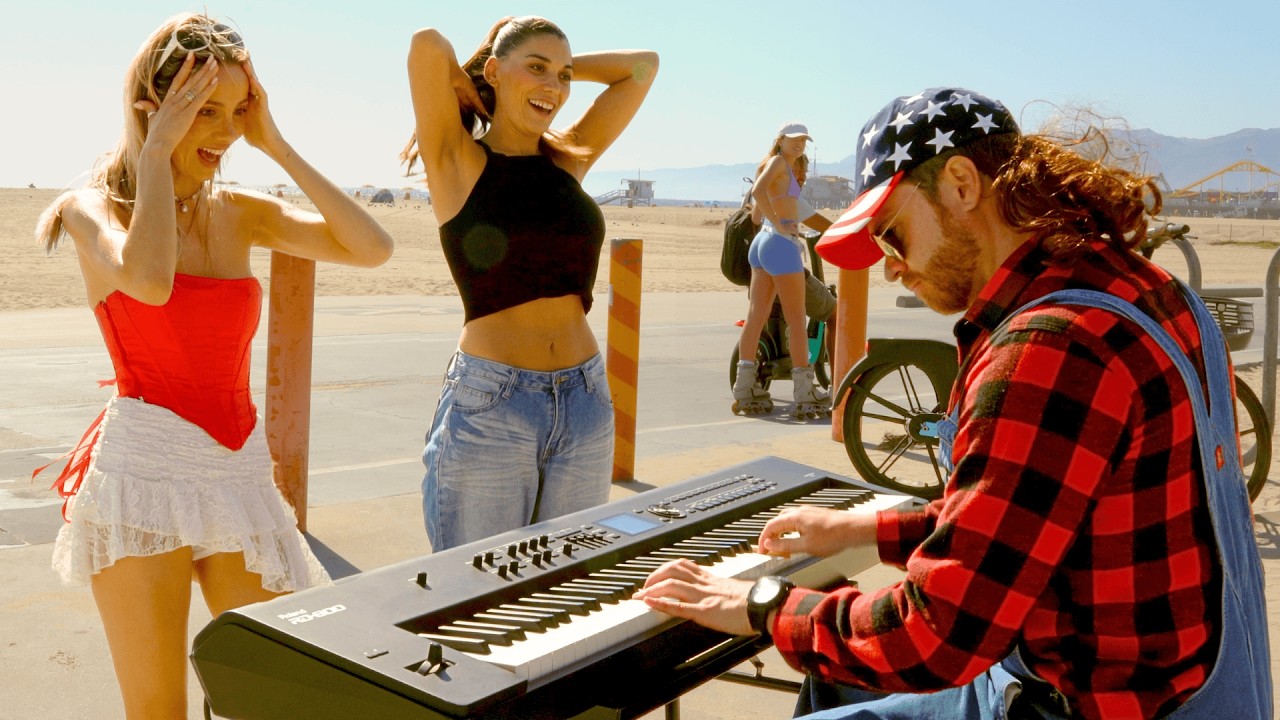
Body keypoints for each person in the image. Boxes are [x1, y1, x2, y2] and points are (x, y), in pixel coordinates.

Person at [636, 87, 1271, 719]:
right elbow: (1029, 513)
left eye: (893, 235)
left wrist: (763, 605)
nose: (890, 268)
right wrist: (869, 529)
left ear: (962, 185)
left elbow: (933, 638)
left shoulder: (1050, 349)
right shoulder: (1140, 286)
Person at [33, 13, 394, 718]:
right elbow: (150, 282)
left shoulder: (241, 212)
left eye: (237, 112)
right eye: (205, 112)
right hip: (143, 470)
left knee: (285, 692)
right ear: (152, 105)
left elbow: (372, 247)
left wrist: (277, 143)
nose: (226, 133)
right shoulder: (88, 210)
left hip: (237, 468)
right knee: (158, 709)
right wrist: (155, 154)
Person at [402, 17, 657, 551]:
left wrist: (548, 71)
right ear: (493, 70)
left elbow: (642, 68)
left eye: (563, 77)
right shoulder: (458, 160)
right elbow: (426, 45)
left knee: (569, 589)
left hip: (586, 401)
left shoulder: (568, 158)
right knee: (475, 599)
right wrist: (472, 76)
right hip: (492, 406)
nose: (555, 88)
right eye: (536, 69)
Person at [733, 122, 831, 417]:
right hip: (779, 244)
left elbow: (758, 212)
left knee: (755, 318)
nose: (799, 144)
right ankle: (805, 390)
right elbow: (757, 190)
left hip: (763, 243)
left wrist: (774, 219)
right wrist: (780, 224)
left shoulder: (781, 168)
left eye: (803, 140)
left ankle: (745, 387)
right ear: (781, 141)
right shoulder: (778, 163)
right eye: (794, 139)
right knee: (796, 321)